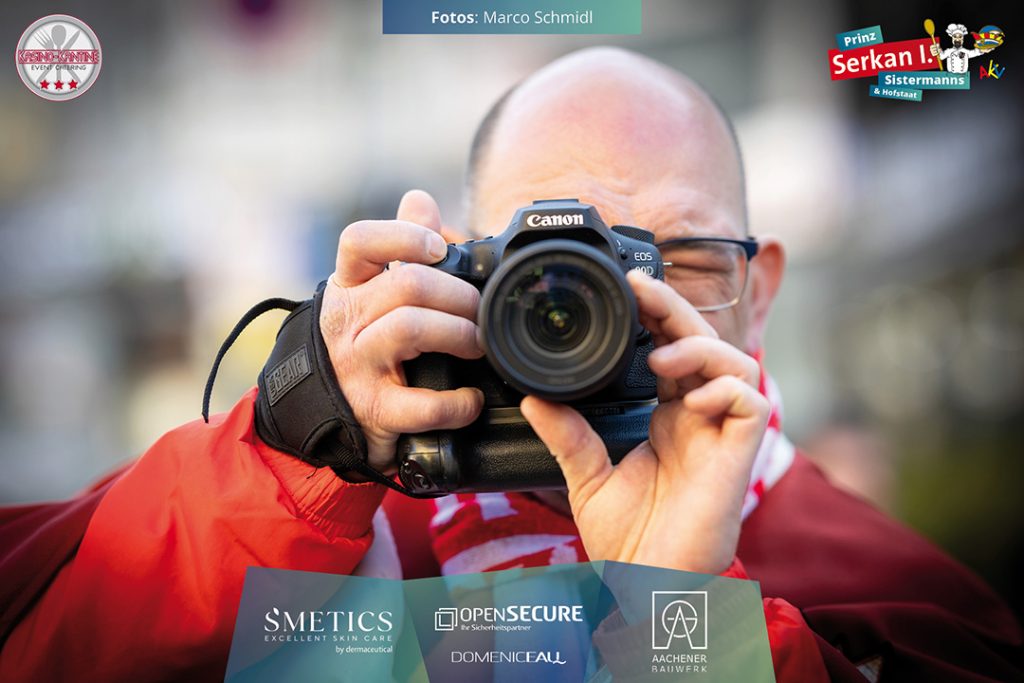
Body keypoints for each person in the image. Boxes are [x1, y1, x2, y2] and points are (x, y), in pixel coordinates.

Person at [0, 47, 1020, 682]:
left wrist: (680, 613)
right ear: (456, 276)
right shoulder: (339, 516)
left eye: (682, 261)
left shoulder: (887, 594)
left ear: (759, 292)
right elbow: (45, 648)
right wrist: (294, 438)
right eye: (554, 278)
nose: (624, 318)